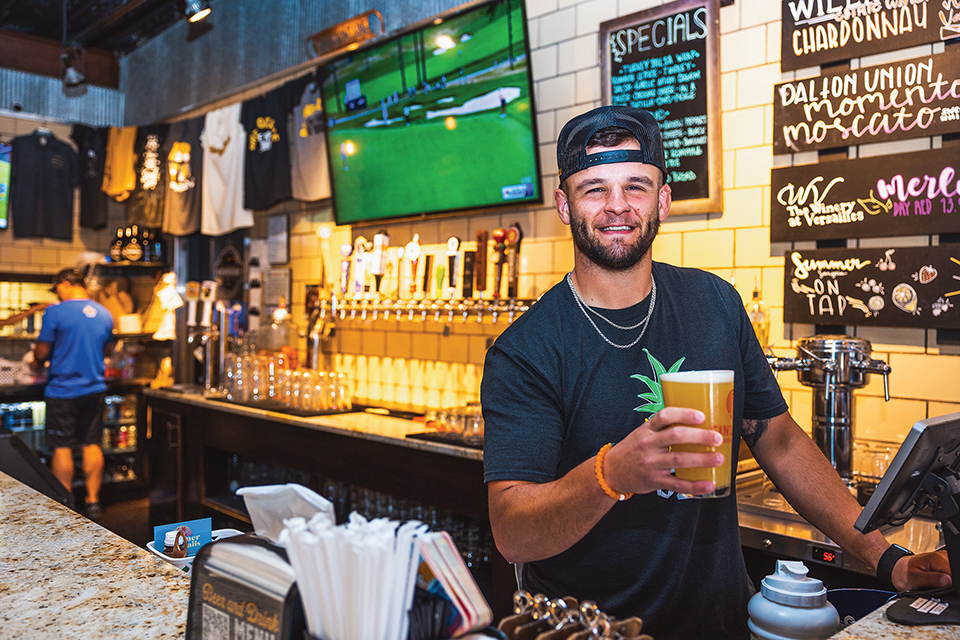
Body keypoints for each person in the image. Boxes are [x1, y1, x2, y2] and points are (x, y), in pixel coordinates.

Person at [480, 105, 951, 640]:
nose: (618, 206)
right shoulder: (526, 350)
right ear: (565, 206)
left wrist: (885, 557)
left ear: (662, 199)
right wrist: (610, 476)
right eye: (594, 189)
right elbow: (513, 530)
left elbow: (777, 437)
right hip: (597, 632)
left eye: (636, 186)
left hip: (720, 623)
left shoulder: (714, 302)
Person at [33, 268, 114, 520]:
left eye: (57, 288)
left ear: (65, 283)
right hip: (95, 389)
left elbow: (41, 354)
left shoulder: (55, 312)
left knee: (62, 447)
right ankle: (93, 502)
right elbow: (108, 349)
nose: (57, 293)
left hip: (63, 391)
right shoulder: (104, 313)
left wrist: (36, 363)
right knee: (91, 443)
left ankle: (66, 504)